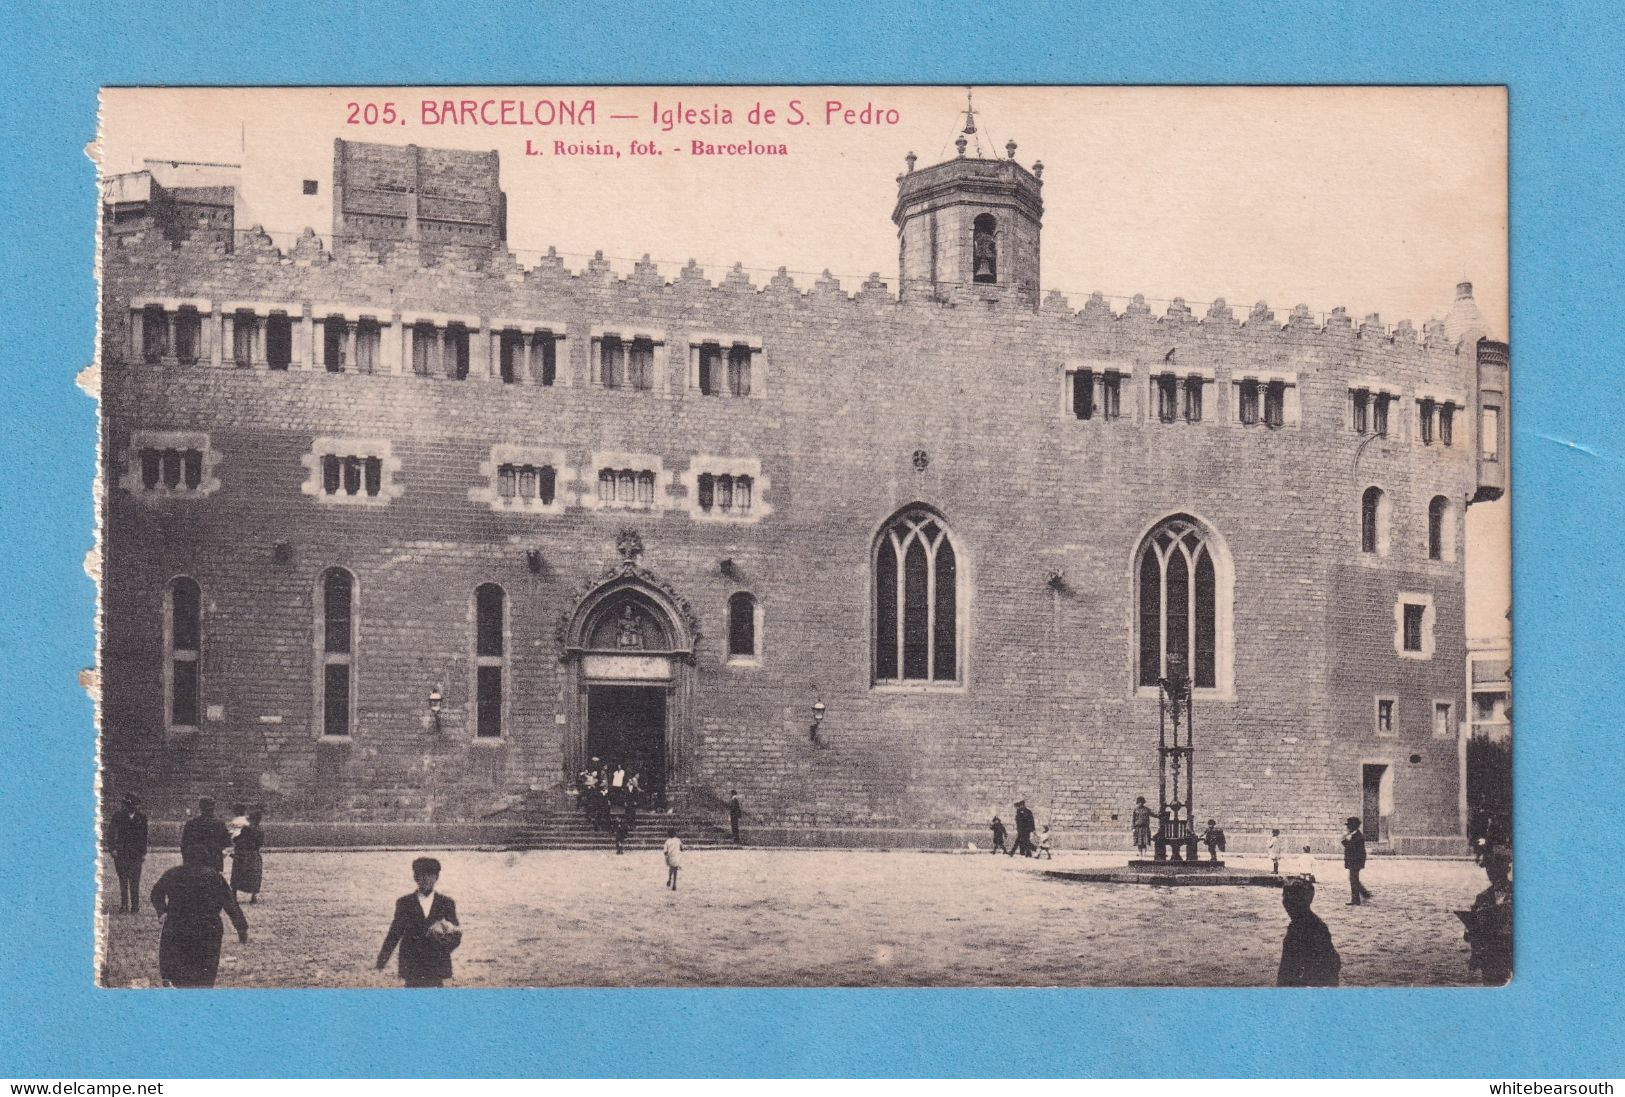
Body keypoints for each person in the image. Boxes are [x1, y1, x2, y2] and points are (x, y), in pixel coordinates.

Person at [149, 843, 249, 987]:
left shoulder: (173, 873)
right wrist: (241, 928)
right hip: (208, 928)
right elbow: (230, 904)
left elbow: (156, 893)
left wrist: (162, 911)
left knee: (180, 970)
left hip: (178, 926)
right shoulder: (215, 877)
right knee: (205, 973)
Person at [376, 857, 460, 988]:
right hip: (412, 963)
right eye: (421, 875)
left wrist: (445, 945)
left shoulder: (447, 903)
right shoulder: (404, 903)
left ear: (436, 877)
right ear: (415, 877)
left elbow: (456, 934)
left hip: (436, 963)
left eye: (430, 875)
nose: (426, 879)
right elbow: (395, 933)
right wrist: (382, 960)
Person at [1275, 877, 1341, 987]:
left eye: (1291, 901)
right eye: (1285, 898)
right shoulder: (1300, 925)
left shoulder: (1311, 927)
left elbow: (1329, 963)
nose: (1286, 904)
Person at [1462, 846, 1512, 985]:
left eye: (1496, 868)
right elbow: (1468, 936)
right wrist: (1470, 928)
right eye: (1488, 869)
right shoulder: (1482, 898)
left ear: (1506, 869)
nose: (1491, 874)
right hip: (1489, 958)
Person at [109, 793, 149, 914]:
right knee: (123, 879)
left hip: (136, 853)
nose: (132, 807)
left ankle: (135, 905)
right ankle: (124, 905)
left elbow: (144, 836)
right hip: (121, 852)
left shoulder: (142, 817)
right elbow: (111, 833)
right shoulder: (118, 816)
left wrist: (143, 852)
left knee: (135, 880)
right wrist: (112, 849)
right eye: (129, 805)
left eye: (134, 805)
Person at [180, 797, 232, 873]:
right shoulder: (219, 824)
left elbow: (184, 845)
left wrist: (187, 862)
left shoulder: (191, 824)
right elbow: (227, 843)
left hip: (195, 863)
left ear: (200, 808)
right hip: (214, 862)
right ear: (213, 808)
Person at [231, 809, 265, 903]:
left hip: (243, 853)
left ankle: (234, 895)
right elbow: (260, 843)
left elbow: (238, 839)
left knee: (237, 874)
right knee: (254, 875)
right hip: (254, 854)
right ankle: (253, 896)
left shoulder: (246, 828)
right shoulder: (260, 830)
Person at [1342, 816, 1373, 905]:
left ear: (1352, 827)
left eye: (1348, 826)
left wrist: (1343, 840)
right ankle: (1365, 894)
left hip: (1355, 862)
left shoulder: (1357, 836)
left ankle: (1356, 900)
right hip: (1354, 861)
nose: (1347, 828)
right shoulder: (1355, 835)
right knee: (1354, 879)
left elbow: (1350, 847)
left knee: (1353, 880)